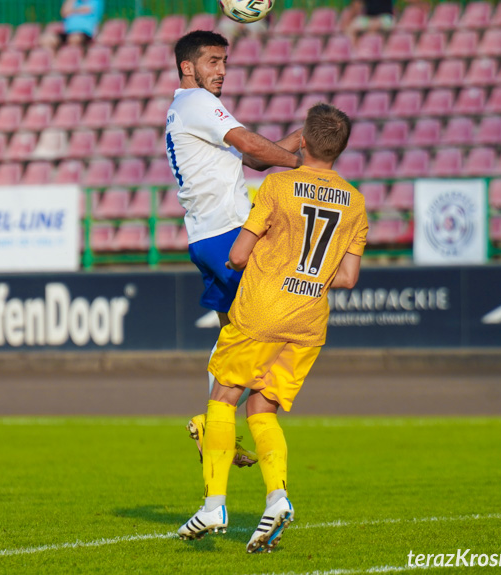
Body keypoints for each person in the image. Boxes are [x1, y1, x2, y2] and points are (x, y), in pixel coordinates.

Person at [178, 103, 369, 553]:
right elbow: (347, 278)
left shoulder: (279, 184)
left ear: (302, 139)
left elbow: (239, 254)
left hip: (262, 310)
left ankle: (214, 504)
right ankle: (277, 498)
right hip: (308, 321)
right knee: (262, 409)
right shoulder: (356, 202)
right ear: (340, 149)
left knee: (223, 397)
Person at [166, 30, 303, 468]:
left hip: (206, 238)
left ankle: (215, 423)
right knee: (273, 330)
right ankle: (219, 418)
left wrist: (299, 141)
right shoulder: (198, 104)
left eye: (224, 61)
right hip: (230, 234)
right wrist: (305, 166)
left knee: (233, 334)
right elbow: (247, 143)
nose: (221, 70)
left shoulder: (185, 111)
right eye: (212, 61)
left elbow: (257, 158)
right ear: (188, 67)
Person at [40, 0, 104, 50]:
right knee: (46, 39)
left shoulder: (95, 1)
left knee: (74, 38)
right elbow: (64, 12)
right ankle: (51, 62)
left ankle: (72, 60)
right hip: (68, 32)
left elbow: (88, 9)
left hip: (85, 33)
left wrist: (72, 10)